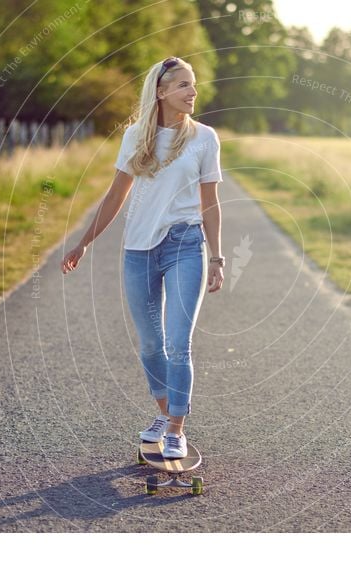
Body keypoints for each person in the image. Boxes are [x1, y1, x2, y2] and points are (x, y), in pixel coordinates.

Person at [60, 56, 224, 459]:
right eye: (184, 85)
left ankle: (175, 430)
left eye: (194, 84)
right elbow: (117, 194)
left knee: (178, 343)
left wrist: (217, 257)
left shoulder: (204, 137)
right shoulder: (136, 136)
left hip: (186, 244)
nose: (193, 92)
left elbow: (211, 202)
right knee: (151, 345)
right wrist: (84, 242)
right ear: (161, 91)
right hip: (138, 249)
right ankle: (165, 414)